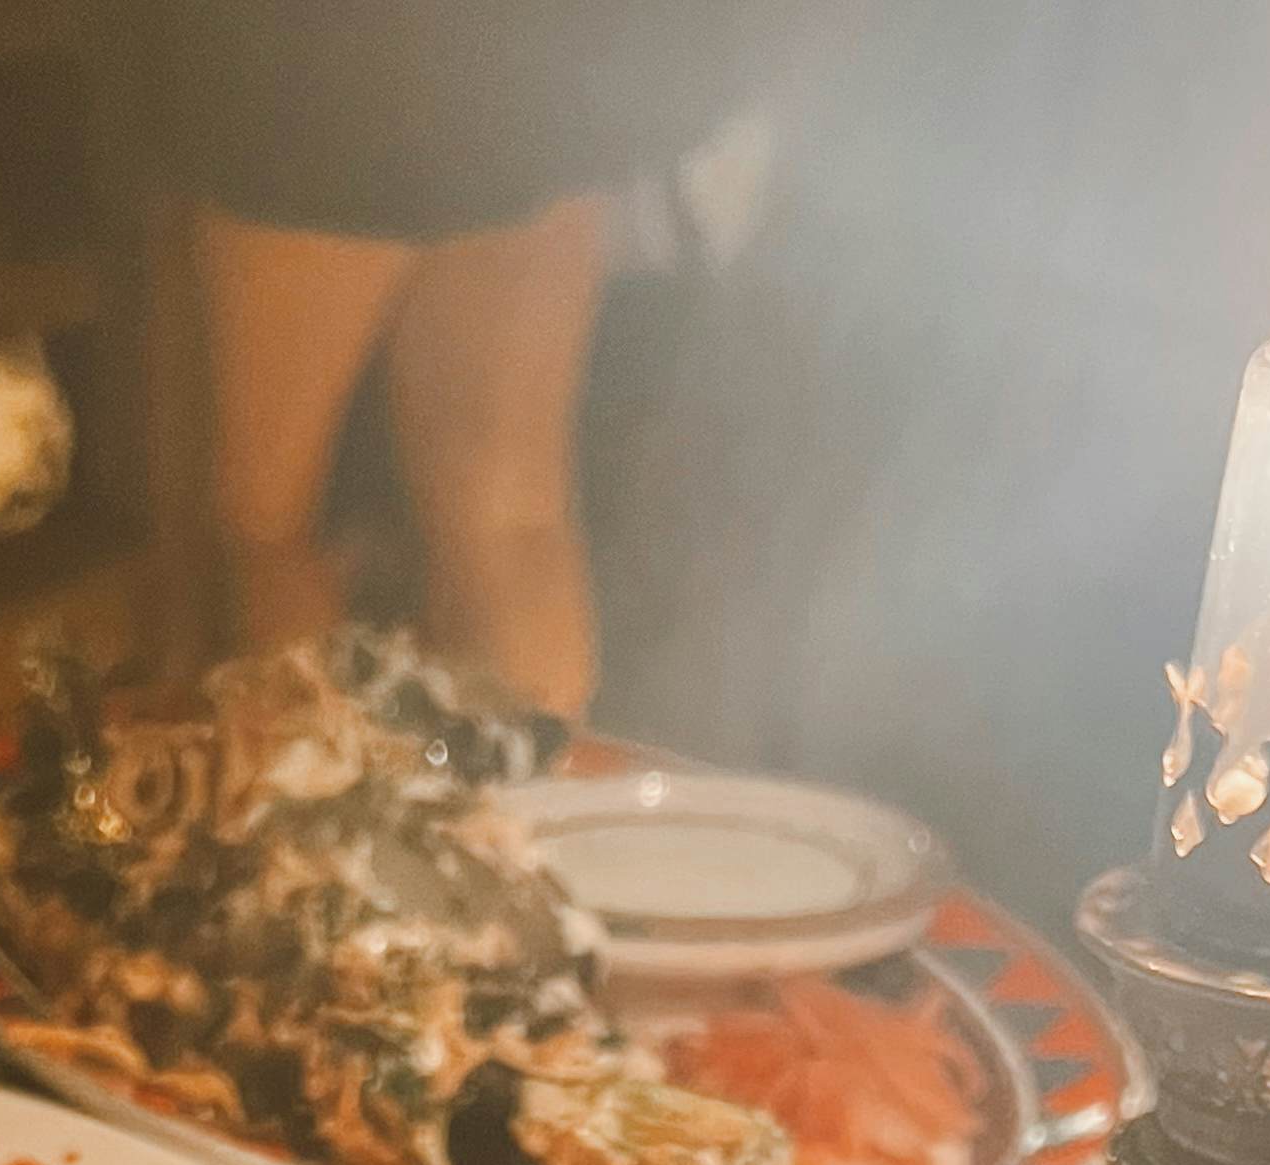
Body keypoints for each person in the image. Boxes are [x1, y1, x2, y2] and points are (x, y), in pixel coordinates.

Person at [150, 0, 803, 720]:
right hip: (524, 61)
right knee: (513, 522)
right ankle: (527, 818)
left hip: (320, 63)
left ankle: (308, 818)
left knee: (263, 529)